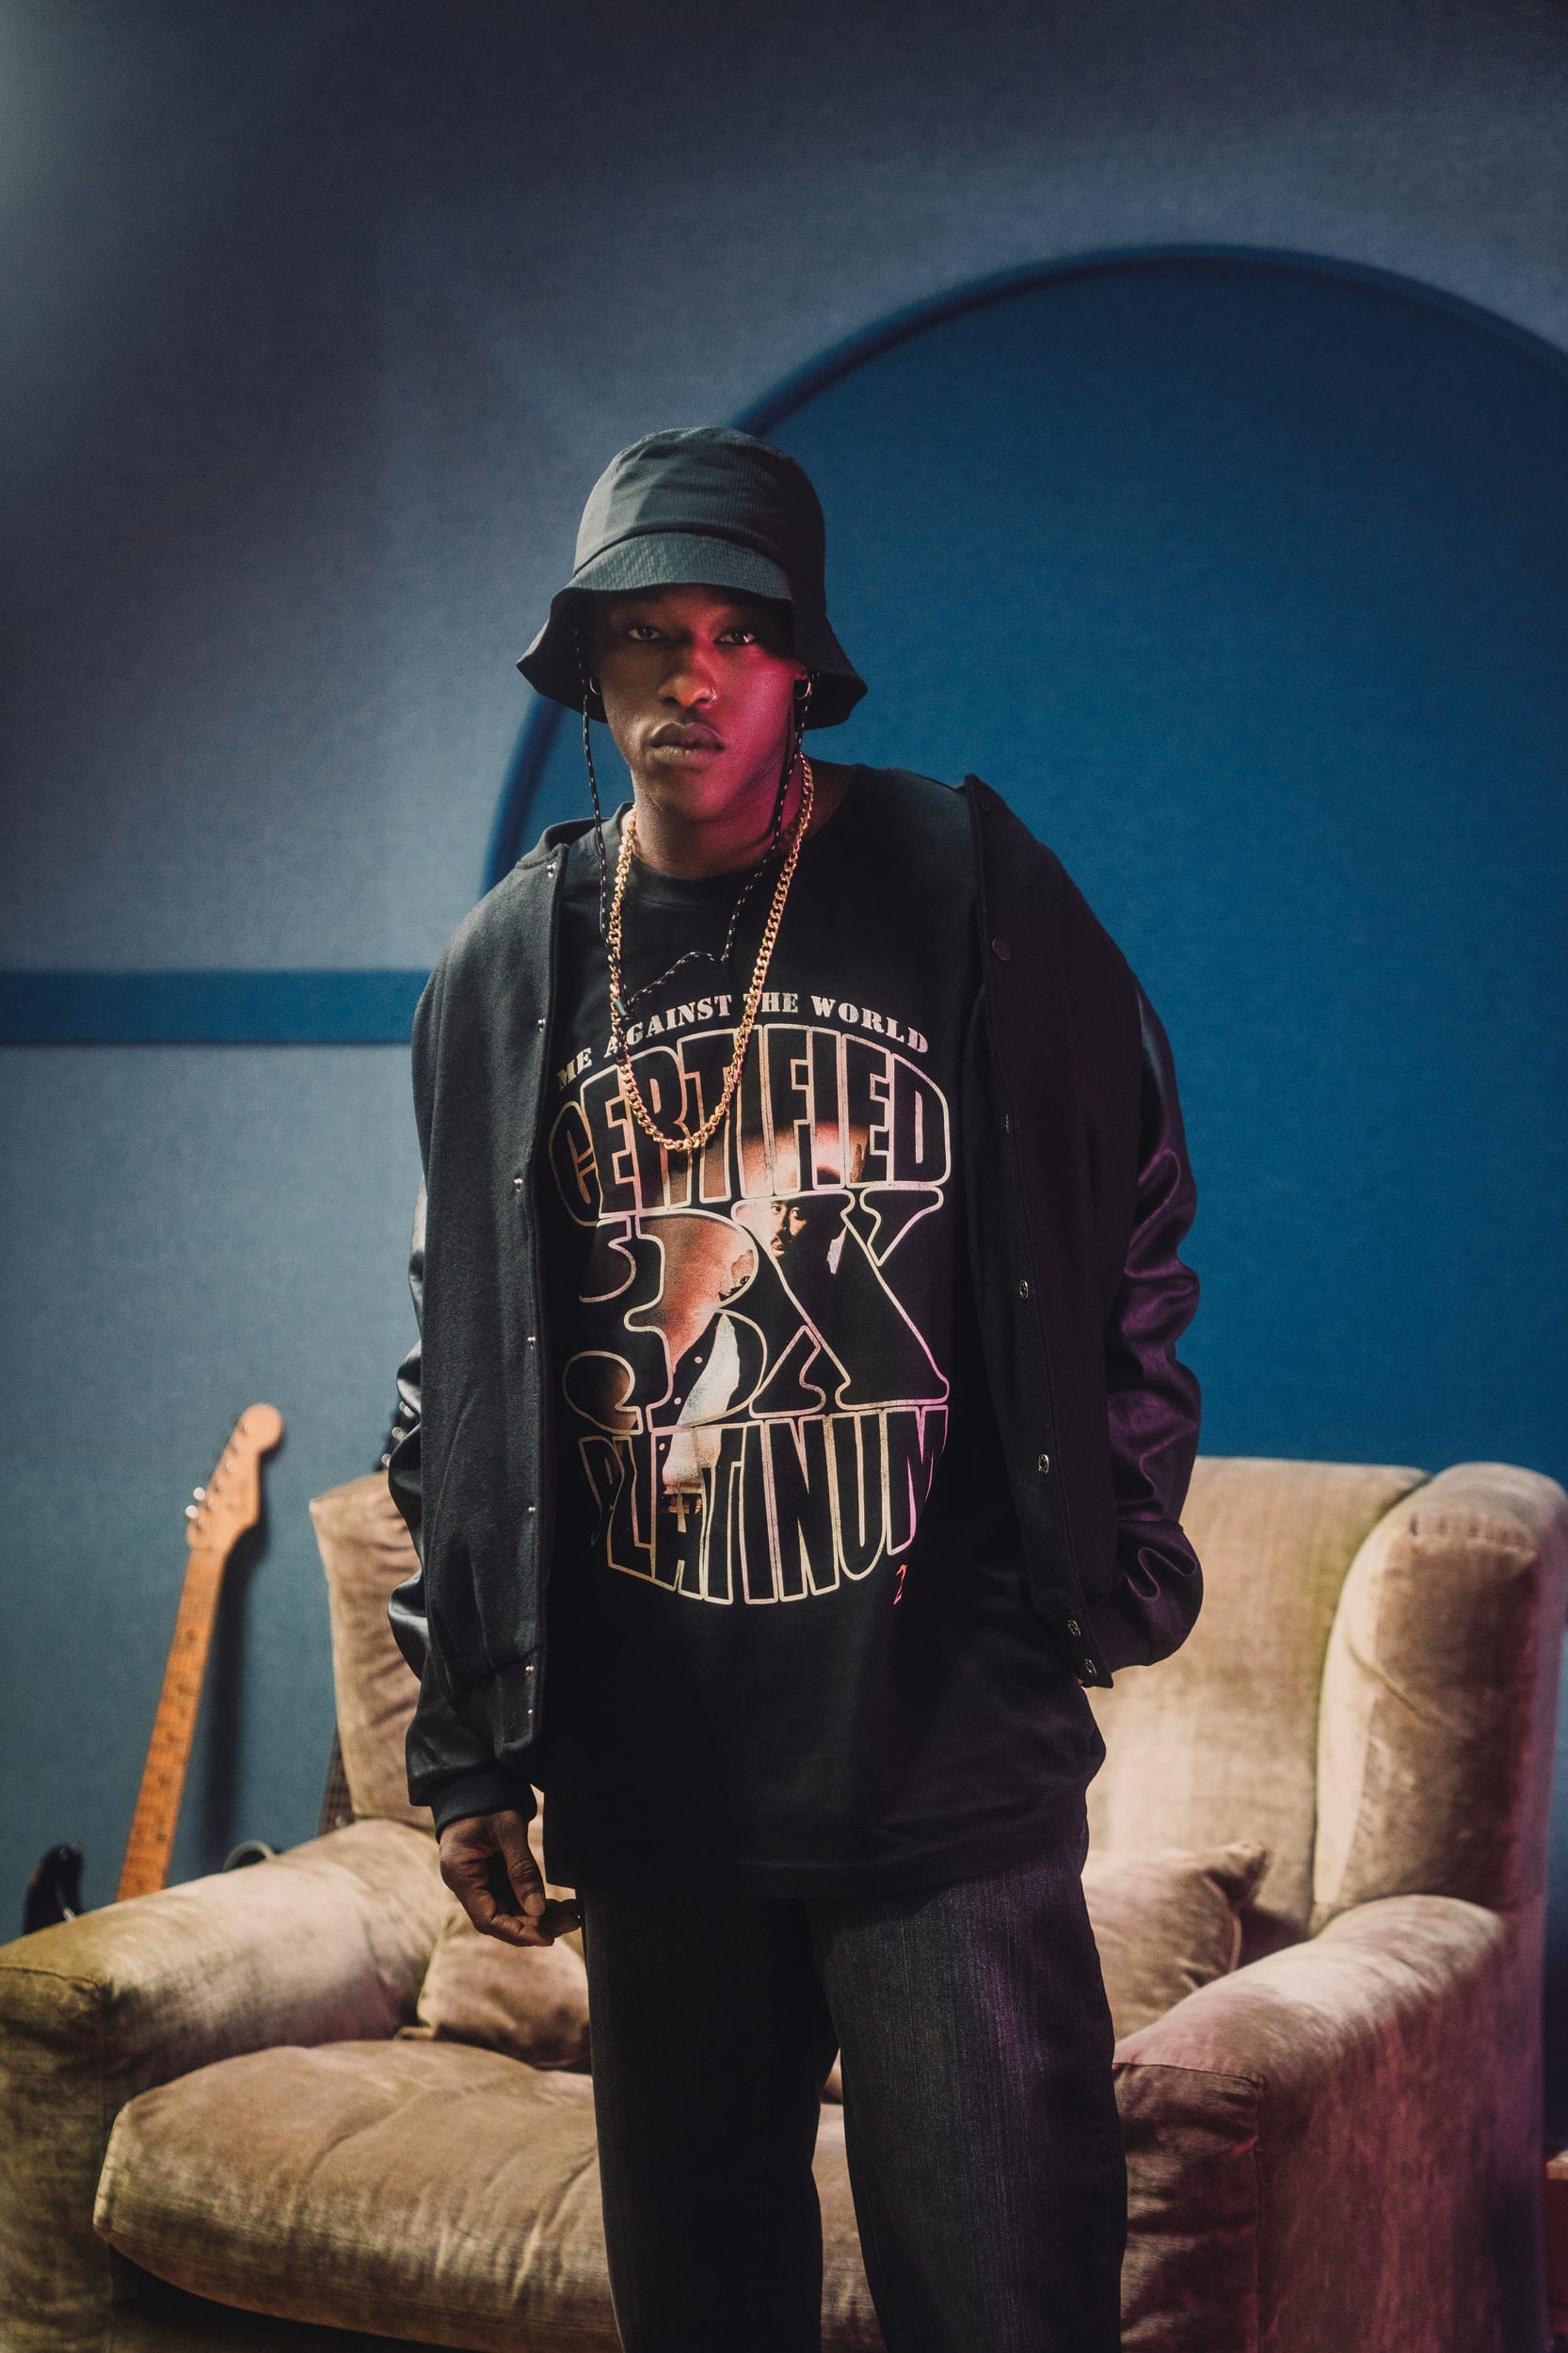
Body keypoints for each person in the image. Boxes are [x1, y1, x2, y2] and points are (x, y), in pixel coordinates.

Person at [386, 424, 1204, 2353]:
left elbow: (1131, 1215)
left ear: (799, 668)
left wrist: (1100, 1553)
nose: (691, 676)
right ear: (588, 668)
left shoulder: (961, 879)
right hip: (653, 1782)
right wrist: (468, 1737)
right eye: (644, 633)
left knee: (1004, 2307)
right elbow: (455, 1363)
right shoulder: (505, 965)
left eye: (734, 634)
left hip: (939, 1763)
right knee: (702, 2315)